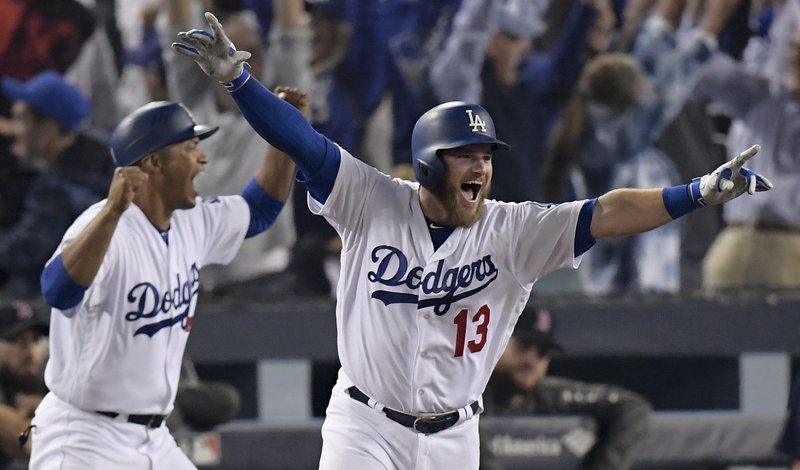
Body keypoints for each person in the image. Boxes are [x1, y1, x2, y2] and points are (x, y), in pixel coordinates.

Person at [172, 13, 773, 469]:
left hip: (454, 437)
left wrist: (693, 192)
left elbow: (605, 213)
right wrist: (241, 82)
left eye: (486, 155)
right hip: (365, 426)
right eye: (465, 154)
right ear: (429, 163)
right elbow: (303, 143)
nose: (481, 167)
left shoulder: (511, 229)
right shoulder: (371, 200)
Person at [29, 89, 307, 469]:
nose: (202, 158)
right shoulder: (104, 228)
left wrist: (287, 131)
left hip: (154, 437)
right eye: (191, 147)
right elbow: (57, 291)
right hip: (84, 437)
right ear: (154, 163)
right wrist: (111, 213)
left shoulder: (193, 220)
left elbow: (259, 210)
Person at [482, 306, 651, 470]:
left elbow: (632, 407)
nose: (532, 361)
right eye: (523, 347)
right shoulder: (469, 395)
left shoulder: (549, 394)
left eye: (542, 353)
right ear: (498, 343)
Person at [0, 71, 112, 300]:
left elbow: (21, 254)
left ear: (48, 129)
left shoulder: (55, 190)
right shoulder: (104, 152)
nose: (15, 130)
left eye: (21, 119)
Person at [0, 299, 49, 467]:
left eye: (35, 339)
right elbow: (28, 443)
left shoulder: (49, 381)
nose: (30, 351)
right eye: (17, 340)